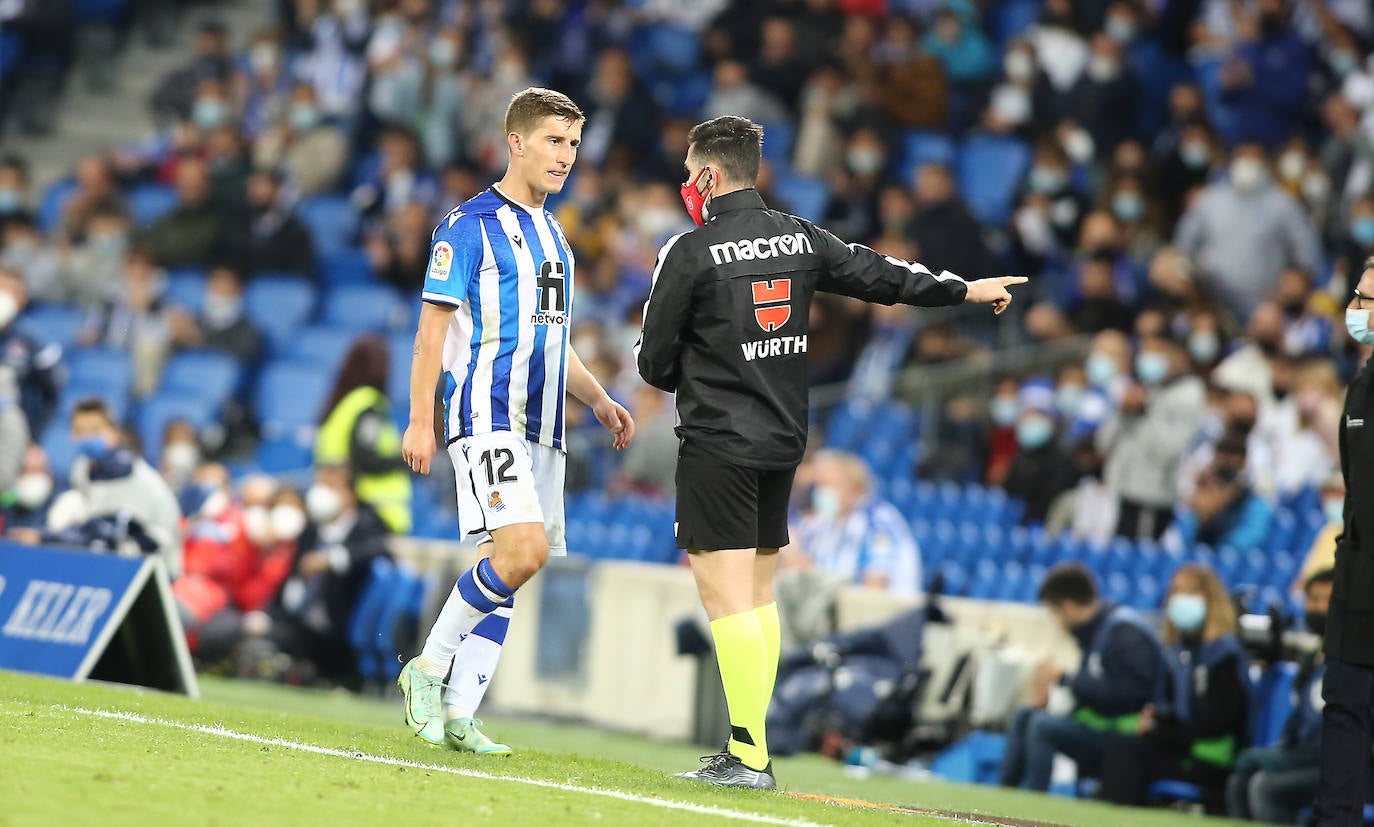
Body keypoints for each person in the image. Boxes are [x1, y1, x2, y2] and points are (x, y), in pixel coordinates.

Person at [634, 114, 1025, 788]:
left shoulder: (689, 251)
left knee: (724, 597)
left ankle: (749, 751)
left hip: (719, 441)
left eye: (688, 174)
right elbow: (884, 276)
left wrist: (688, 372)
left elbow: (651, 361)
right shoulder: (801, 236)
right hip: (786, 440)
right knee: (758, 594)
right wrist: (963, 288)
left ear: (706, 174)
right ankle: (750, 747)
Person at [397, 88, 635, 756]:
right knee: (522, 551)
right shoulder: (468, 226)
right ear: (517, 143)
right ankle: (429, 665)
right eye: (555, 141)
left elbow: (554, 339)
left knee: (510, 565)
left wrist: (595, 397)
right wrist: (422, 419)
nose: (567, 157)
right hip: (486, 414)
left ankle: (460, 712)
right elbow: (430, 333)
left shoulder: (556, 236)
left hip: (544, 426)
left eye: (574, 144)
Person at [1097, 563, 1248, 812]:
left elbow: (1218, 722)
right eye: (1176, 591)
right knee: (1120, 744)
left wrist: (1158, 731)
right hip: (1185, 746)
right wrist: (1156, 719)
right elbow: (1175, 710)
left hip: (1210, 756)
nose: (1181, 599)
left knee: (1127, 755)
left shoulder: (1223, 655)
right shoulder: (1180, 651)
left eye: (1191, 592)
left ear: (1211, 600)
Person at [1000, 564, 1164, 792]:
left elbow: (1129, 694)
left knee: (1042, 726)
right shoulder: (1096, 632)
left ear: (1067, 606)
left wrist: (1064, 679)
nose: (1056, 623)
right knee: (1025, 715)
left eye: (1054, 613)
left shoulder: (1124, 633)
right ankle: (1004, 797)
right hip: (1096, 721)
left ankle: (1032, 803)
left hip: (1121, 731)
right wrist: (1051, 697)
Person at [1313, 256, 1374, 826]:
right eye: (1356, 297)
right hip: (1355, 587)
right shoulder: (1360, 389)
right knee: (1343, 716)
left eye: (1366, 301)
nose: (1354, 310)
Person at [1226, 569, 1332, 823]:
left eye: (1326, 600)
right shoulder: (1311, 661)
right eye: (1312, 599)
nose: (1317, 608)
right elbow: (1297, 724)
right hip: (1306, 757)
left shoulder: (1356, 665)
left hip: (1340, 765)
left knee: (1266, 787)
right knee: (1239, 780)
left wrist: (1281, 758)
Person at [45, 397, 182, 577]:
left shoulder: (134, 476)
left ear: (113, 432)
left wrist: (49, 538)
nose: (87, 437)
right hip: (104, 562)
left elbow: (145, 538)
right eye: (79, 431)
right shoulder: (82, 468)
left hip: (154, 571)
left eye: (95, 430)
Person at [314, 336, 412, 535]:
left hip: (335, 505)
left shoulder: (342, 404)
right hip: (370, 508)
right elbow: (364, 456)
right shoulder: (368, 404)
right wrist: (405, 457)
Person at [0, 266, 60, 436]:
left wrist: (34, 441)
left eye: (9, 291)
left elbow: (52, 396)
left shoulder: (34, 341)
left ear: (22, 299)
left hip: (14, 433)